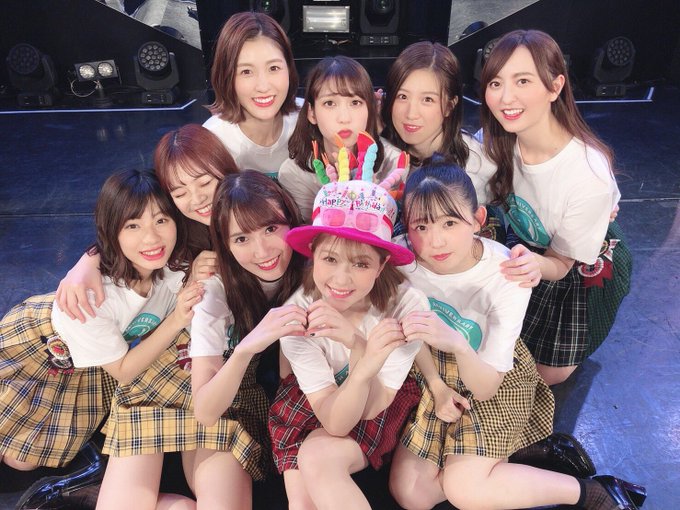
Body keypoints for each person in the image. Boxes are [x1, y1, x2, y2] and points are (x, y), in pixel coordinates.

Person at [389, 163, 646, 510]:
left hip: (490, 375)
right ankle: (525, 453)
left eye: (450, 223)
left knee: (464, 489)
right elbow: (412, 328)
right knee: (412, 496)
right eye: (421, 226)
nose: (435, 241)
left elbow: (485, 387)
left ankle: (592, 492)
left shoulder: (507, 271)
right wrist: (436, 386)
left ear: (477, 219)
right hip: (433, 372)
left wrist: (457, 344)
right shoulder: (402, 260)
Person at [0, 169, 199, 478]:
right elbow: (123, 371)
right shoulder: (94, 298)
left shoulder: (178, 265)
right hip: (41, 351)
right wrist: (175, 321)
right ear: (112, 231)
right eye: (133, 225)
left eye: (161, 220)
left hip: (94, 364)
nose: (152, 238)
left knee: (25, 460)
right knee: (16, 457)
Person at [268, 171, 429, 510]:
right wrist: (362, 352)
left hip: (374, 400)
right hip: (312, 400)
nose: (341, 279)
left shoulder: (406, 307)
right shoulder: (296, 317)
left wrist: (358, 345)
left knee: (317, 455)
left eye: (361, 263)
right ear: (312, 254)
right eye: (329, 259)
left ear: (382, 265)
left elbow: (369, 409)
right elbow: (334, 419)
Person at [480, 29, 632, 385]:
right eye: (496, 83)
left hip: (578, 260)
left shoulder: (588, 173)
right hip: (525, 244)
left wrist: (537, 264)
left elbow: (562, 263)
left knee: (543, 375)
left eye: (523, 81)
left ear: (555, 86)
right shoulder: (495, 143)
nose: (506, 97)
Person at [188, 170, 307, 509]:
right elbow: (206, 411)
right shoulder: (215, 292)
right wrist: (245, 349)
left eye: (271, 229)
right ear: (224, 246)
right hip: (232, 402)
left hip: (301, 400)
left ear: (291, 220)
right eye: (241, 239)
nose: (262, 250)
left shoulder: (319, 268)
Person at [278, 55, 402, 222]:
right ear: (311, 113)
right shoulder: (293, 174)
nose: (344, 118)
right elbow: (313, 232)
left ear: (370, 109)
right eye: (330, 103)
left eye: (355, 102)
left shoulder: (394, 162)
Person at [381, 41, 496, 207]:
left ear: (450, 106)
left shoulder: (476, 169)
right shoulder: (379, 155)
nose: (411, 113)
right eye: (402, 96)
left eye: (427, 99)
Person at [203, 11, 300, 178]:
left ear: (289, 70)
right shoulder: (213, 141)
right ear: (226, 77)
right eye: (246, 71)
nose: (263, 86)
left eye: (274, 68)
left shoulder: (309, 119)